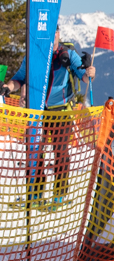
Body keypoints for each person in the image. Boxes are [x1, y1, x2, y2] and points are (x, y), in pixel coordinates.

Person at [5, 31, 96, 207]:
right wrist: (8, 87)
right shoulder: (34, 54)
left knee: (60, 153)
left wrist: (90, 72)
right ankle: (36, 194)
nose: (51, 36)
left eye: (54, 33)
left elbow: (84, 77)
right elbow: (19, 78)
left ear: (58, 34)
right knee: (35, 152)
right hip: (38, 111)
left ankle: (59, 196)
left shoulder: (68, 54)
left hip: (61, 111)